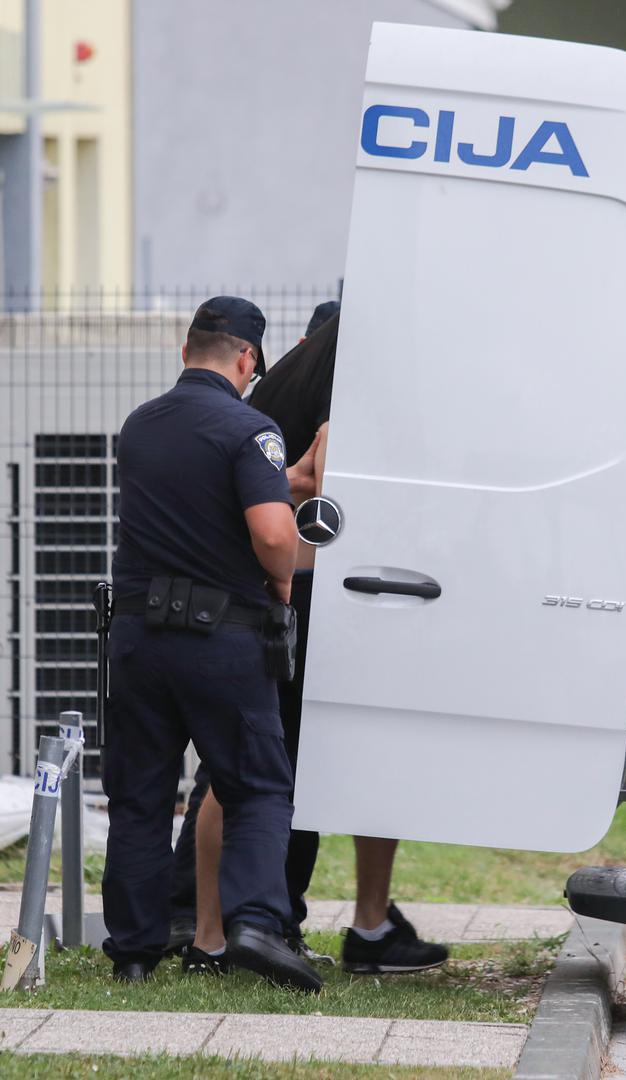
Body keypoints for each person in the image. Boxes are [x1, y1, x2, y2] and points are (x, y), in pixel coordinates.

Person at [175, 302, 448, 975]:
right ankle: (253, 922)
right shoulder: (349, 379)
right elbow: (326, 501)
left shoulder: (299, 375)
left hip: (290, 589)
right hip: (305, 589)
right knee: (269, 769)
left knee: (257, 764)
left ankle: (224, 923)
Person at [102, 295, 322, 992]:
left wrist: (279, 481)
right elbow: (273, 534)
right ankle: (254, 922)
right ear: (248, 358)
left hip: (137, 637)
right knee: (256, 786)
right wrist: (283, 588)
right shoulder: (250, 428)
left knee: (139, 796)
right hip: (220, 640)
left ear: (186, 347)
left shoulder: (140, 426)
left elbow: (193, 499)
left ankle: (133, 951)